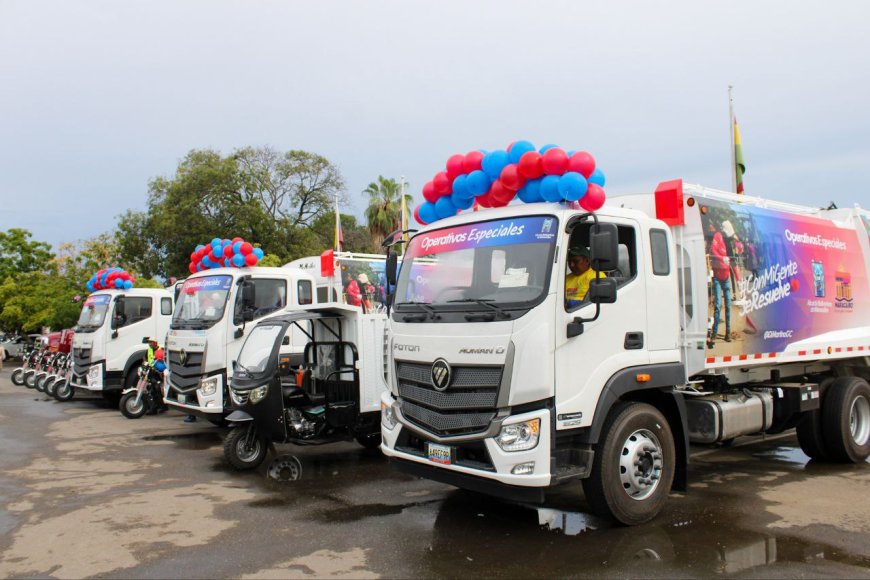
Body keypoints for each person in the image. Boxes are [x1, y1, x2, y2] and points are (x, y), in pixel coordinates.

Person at [709, 231, 732, 348]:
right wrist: (722, 258)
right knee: (718, 306)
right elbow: (712, 250)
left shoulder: (729, 243)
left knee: (728, 306)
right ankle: (714, 333)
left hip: (726, 277)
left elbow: (734, 262)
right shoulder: (718, 236)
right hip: (718, 278)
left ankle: (728, 333)